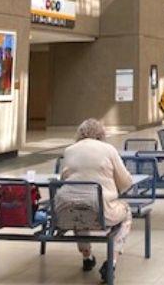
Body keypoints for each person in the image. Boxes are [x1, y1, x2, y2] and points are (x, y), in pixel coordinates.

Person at [58, 119, 132, 284]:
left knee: (79, 211)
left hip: (68, 212)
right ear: (101, 134)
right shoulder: (108, 149)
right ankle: (111, 263)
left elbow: (64, 178)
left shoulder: (69, 150)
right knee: (126, 214)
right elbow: (126, 181)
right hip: (102, 210)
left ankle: (87, 257)